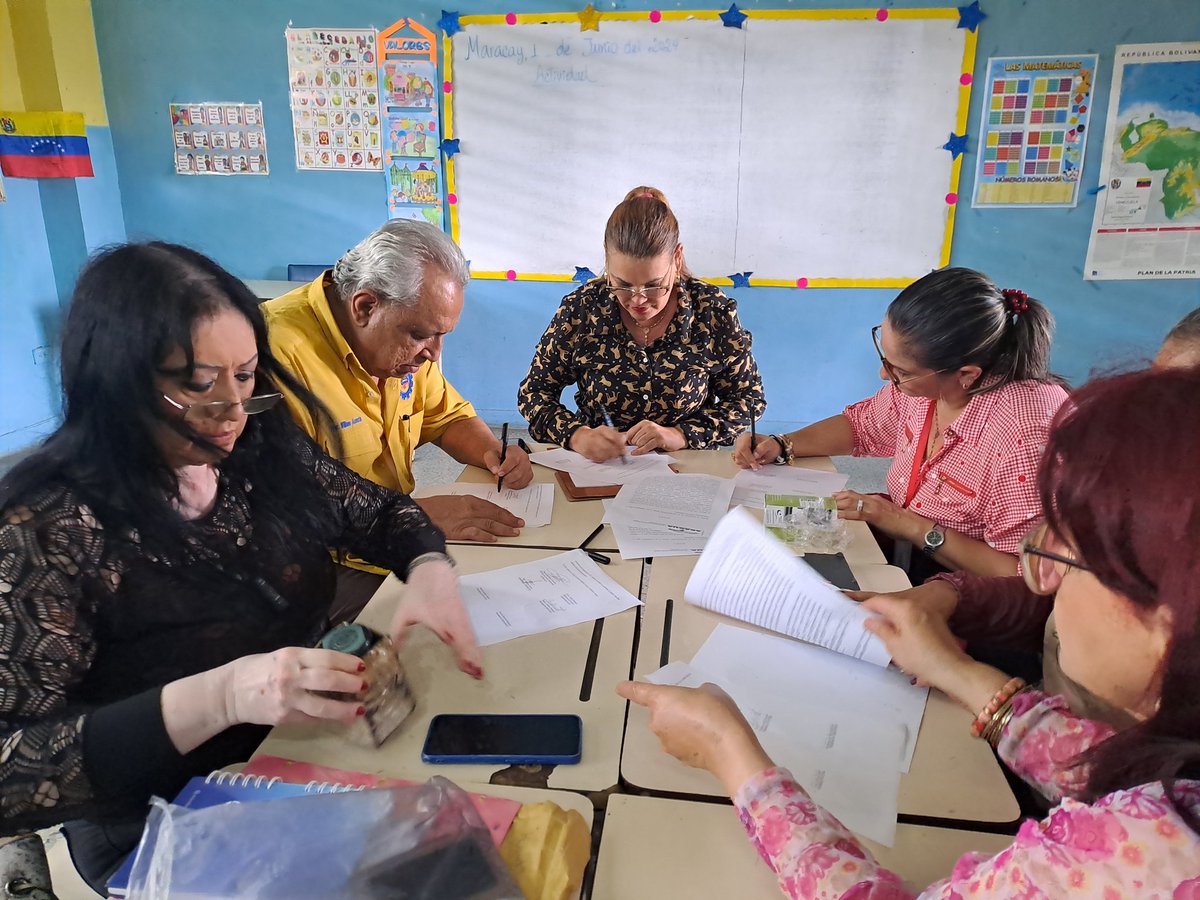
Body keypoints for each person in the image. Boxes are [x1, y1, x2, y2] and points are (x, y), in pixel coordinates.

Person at [0, 242, 481, 891]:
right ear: (117, 379)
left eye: (248, 375)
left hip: (292, 756)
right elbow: (15, 773)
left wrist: (430, 573)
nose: (231, 411)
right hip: (158, 823)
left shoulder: (250, 442)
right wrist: (224, 694)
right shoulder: (49, 526)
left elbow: (380, 514)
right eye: (199, 385)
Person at [621, 365, 1200, 896]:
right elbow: (1111, 768)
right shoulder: (1174, 780)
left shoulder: (1148, 856)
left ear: (1172, 615)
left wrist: (734, 758)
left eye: (1064, 562)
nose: (1043, 587)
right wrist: (957, 672)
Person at [264, 220, 533, 619]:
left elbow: (447, 416)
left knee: (510, 582)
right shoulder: (275, 356)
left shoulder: (403, 349)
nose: (434, 354)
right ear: (365, 306)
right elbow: (280, 511)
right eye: (423, 335)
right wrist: (411, 517)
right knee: (462, 623)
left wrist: (493, 452)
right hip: (320, 565)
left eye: (443, 336)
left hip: (397, 531)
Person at [734, 267, 1067, 579]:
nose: (884, 375)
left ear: (966, 375)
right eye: (886, 359)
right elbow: (861, 426)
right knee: (767, 534)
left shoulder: (1024, 436)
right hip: (913, 537)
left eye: (900, 371)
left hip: (975, 580)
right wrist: (781, 444)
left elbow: (1027, 574)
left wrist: (907, 525)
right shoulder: (927, 388)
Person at [517, 186, 766, 462]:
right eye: (622, 285)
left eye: (654, 286)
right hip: (600, 469)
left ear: (677, 258)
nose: (638, 300)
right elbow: (534, 393)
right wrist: (577, 435)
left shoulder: (711, 311)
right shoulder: (583, 309)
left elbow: (748, 399)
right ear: (607, 260)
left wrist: (681, 434)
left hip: (688, 468)